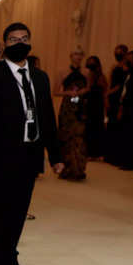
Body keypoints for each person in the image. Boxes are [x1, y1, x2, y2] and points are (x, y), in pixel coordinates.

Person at [0, 22, 63, 265]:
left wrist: (56, 156)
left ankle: (7, 260)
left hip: (29, 154)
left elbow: (47, 117)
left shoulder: (40, 77)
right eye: (14, 40)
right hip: (0, 156)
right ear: (5, 45)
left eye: (24, 38)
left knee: (17, 211)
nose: (20, 43)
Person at [54, 47, 90, 180]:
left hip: (80, 107)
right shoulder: (62, 72)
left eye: (81, 54)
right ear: (71, 56)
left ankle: (79, 169)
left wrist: (82, 92)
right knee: (66, 137)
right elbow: (56, 91)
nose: (78, 57)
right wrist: (69, 93)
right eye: (76, 54)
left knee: (79, 138)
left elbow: (89, 88)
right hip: (67, 108)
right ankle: (67, 168)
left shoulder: (86, 72)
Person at [118, 50, 133, 171]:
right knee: (127, 135)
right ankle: (127, 161)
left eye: (129, 59)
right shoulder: (129, 73)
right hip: (128, 108)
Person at [105, 44, 129, 165]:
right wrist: (107, 96)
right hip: (112, 98)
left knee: (119, 126)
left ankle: (117, 157)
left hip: (120, 97)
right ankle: (109, 155)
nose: (118, 55)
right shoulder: (114, 67)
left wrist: (109, 92)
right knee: (111, 125)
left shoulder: (127, 69)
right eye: (116, 53)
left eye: (120, 53)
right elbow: (110, 82)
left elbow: (121, 85)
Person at [84, 56, 108, 160]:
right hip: (89, 104)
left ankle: (97, 152)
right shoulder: (87, 75)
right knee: (89, 127)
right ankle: (89, 152)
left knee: (97, 127)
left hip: (98, 105)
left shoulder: (101, 76)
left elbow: (104, 90)